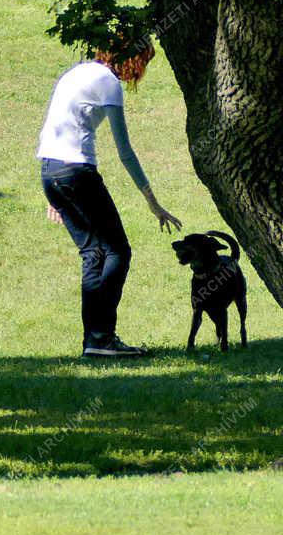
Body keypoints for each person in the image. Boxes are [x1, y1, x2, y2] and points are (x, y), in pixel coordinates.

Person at [38, 40, 181, 357]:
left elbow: (55, 128)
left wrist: (56, 196)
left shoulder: (75, 74)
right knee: (118, 251)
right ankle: (103, 338)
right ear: (133, 62)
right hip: (77, 172)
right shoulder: (109, 83)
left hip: (51, 171)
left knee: (92, 254)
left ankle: (95, 342)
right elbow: (125, 152)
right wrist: (153, 203)